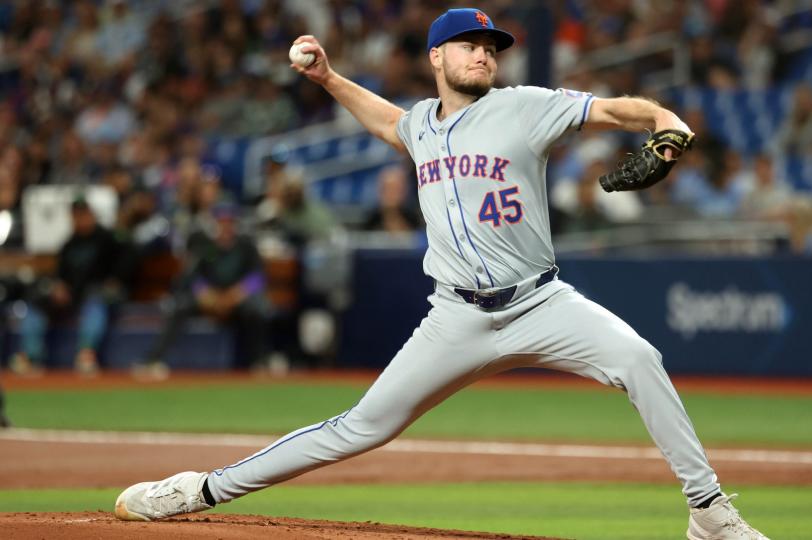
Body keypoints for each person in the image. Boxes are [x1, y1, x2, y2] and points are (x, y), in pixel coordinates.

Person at [114, 9, 767, 540]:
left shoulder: (525, 105)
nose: (483, 54)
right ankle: (199, 489)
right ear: (437, 58)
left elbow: (618, 110)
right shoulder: (423, 124)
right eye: (468, 45)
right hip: (456, 316)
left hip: (542, 301)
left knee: (639, 358)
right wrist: (330, 80)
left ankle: (708, 511)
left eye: (490, 46)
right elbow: (391, 124)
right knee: (358, 429)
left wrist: (666, 124)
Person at [135, 204, 271, 377]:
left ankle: (260, 363)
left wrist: (234, 296)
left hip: (237, 298)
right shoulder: (205, 245)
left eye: (229, 222)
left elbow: (257, 278)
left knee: (256, 309)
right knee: (180, 306)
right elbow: (191, 277)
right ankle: (153, 360)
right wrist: (207, 294)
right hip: (208, 299)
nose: (225, 226)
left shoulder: (246, 245)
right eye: (222, 222)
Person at [10, 198, 123, 376]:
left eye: (83, 214)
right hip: (72, 294)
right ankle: (31, 356)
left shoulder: (107, 239)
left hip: (96, 294)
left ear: (91, 214)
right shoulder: (69, 244)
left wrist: (115, 280)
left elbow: (122, 267)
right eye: (76, 215)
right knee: (36, 303)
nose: (80, 219)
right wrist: (59, 288)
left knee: (95, 300)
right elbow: (60, 276)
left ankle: (86, 354)